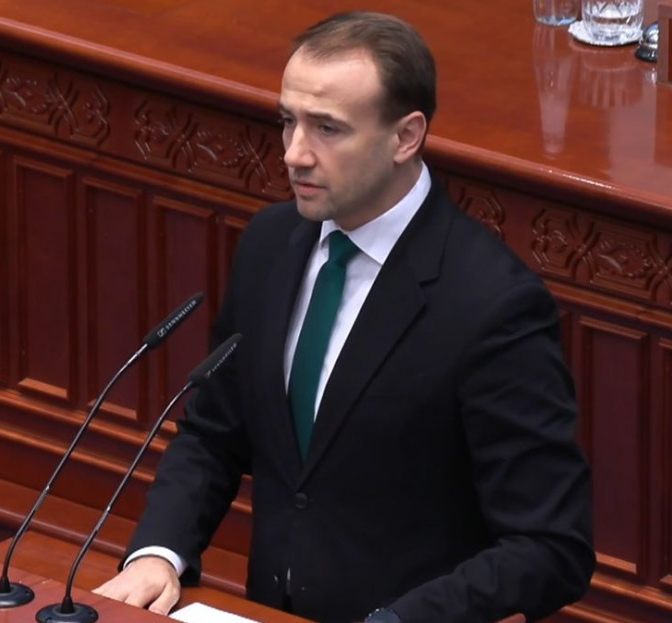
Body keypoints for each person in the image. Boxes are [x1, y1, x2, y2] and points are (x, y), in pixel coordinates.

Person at [93, 11, 594, 623]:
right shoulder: (270, 244)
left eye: (327, 128)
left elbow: (550, 547)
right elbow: (214, 433)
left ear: (405, 137)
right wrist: (159, 552)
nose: (294, 154)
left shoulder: (492, 305)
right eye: (288, 121)